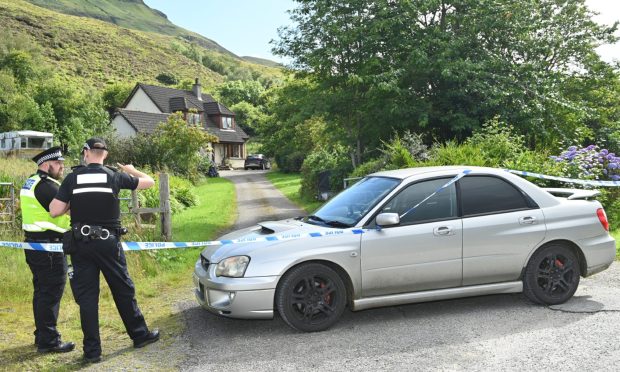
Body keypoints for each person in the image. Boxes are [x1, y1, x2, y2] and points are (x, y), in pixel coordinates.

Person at [49, 138, 159, 363]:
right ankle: (140, 335)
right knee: (123, 290)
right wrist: (132, 170)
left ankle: (92, 353)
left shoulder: (72, 178)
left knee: (87, 299)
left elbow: (54, 211)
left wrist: (73, 201)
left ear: (86, 153)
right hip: (108, 244)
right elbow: (150, 183)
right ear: (105, 155)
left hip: (80, 245)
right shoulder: (114, 176)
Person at [20, 147, 75, 353]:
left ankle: (41, 335)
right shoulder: (46, 186)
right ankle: (49, 341)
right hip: (48, 247)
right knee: (50, 292)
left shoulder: (32, 181)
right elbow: (63, 208)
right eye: (58, 163)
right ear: (46, 164)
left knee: (41, 291)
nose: (62, 166)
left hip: (36, 245)